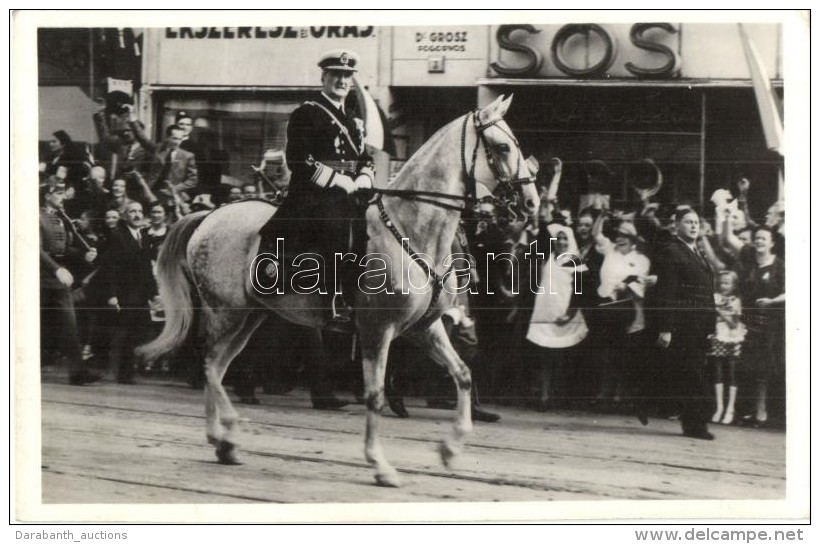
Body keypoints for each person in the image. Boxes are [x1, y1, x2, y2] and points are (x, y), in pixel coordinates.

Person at [258, 49, 374, 322]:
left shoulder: (354, 120)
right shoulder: (307, 113)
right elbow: (298, 159)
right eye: (336, 75)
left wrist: (365, 176)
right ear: (324, 77)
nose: (342, 81)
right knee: (336, 224)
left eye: (347, 76)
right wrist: (339, 181)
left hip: (351, 190)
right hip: (313, 192)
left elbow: (364, 157)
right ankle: (334, 297)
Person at [653, 208, 716, 440]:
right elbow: (666, 292)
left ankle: (695, 422)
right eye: (688, 222)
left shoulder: (696, 252)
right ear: (677, 225)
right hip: (684, 326)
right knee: (692, 376)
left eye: (696, 222)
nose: (693, 226)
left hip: (699, 326)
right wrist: (666, 327)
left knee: (695, 374)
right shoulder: (672, 251)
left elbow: (706, 291)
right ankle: (694, 425)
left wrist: (711, 326)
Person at [39, 181, 101, 385]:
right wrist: (56, 269)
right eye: (58, 193)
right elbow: (36, 249)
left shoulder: (59, 219)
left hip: (58, 280)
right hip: (39, 277)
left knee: (70, 324)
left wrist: (84, 255)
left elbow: (64, 249)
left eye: (63, 193)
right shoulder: (35, 216)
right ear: (47, 195)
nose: (62, 196)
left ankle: (77, 372)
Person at [525, 222, 588, 411]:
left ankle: (558, 396)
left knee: (561, 358)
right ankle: (544, 396)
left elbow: (580, 293)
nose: (561, 242)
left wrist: (568, 314)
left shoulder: (576, 262)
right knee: (544, 357)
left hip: (564, 315)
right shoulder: (548, 258)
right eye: (558, 238)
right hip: (545, 313)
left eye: (565, 238)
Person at [97, 201, 159, 384]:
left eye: (140, 211)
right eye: (133, 211)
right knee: (125, 334)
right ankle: (122, 374)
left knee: (140, 332)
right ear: (125, 215)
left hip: (139, 295)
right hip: (124, 294)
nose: (137, 215)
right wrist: (111, 295)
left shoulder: (144, 236)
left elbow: (147, 268)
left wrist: (153, 293)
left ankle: (127, 370)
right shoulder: (117, 236)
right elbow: (109, 268)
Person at [708, 270, 746, 425]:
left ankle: (730, 408)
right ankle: (719, 407)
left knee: (731, 372)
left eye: (727, 283)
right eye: (722, 283)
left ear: (734, 285)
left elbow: (734, 323)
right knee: (717, 371)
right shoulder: (715, 297)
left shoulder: (735, 301)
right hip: (718, 334)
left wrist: (718, 312)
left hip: (732, 336)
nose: (724, 286)